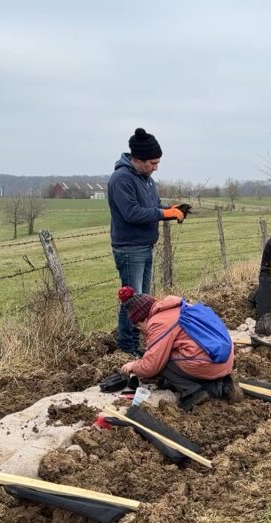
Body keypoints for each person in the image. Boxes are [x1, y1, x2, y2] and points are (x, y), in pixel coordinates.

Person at [107, 128, 189, 355]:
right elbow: (132, 213)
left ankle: (135, 344)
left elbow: (153, 207)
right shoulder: (121, 179)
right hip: (129, 248)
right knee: (132, 300)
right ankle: (127, 347)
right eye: (152, 163)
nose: (156, 167)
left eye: (157, 162)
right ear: (138, 159)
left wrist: (172, 210)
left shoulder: (147, 180)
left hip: (145, 246)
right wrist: (165, 214)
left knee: (142, 300)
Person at [117, 286, 238, 411]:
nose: (141, 330)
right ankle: (221, 383)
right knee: (173, 352)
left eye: (138, 325)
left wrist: (133, 366)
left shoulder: (159, 322)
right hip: (225, 359)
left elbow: (151, 366)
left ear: (143, 318)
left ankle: (193, 392)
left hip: (208, 363)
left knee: (162, 360)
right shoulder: (179, 307)